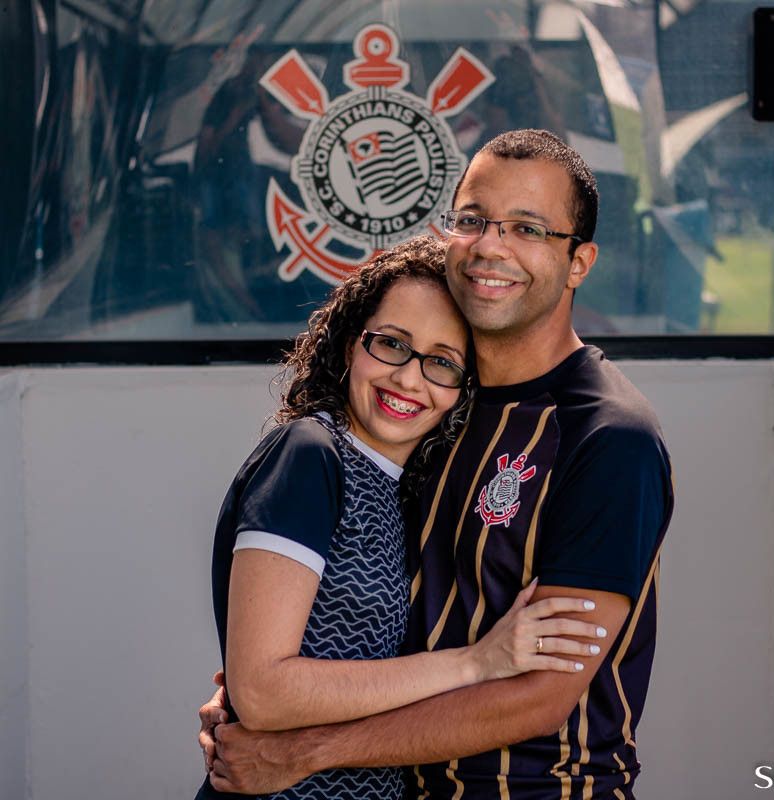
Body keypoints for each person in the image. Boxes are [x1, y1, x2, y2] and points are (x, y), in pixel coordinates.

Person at [199, 130, 674, 799]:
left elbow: (539, 697)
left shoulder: (609, 436)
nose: (490, 246)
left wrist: (303, 748)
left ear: (579, 262)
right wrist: (255, 705)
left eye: (527, 228)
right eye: (473, 219)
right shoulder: (438, 413)